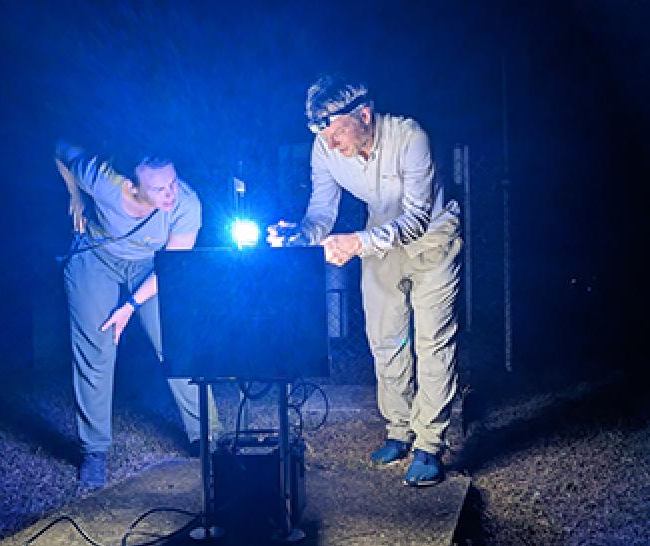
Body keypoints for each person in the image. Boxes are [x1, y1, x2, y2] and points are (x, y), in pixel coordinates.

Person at [268, 75, 462, 486]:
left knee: (432, 341)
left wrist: (357, 243)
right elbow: (321, 211)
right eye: (320, 132)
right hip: (378, 239)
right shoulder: (324, 148)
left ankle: (429, 443)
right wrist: (300, 235)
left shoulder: (411, 138)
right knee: (384, 337)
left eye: (335, 130)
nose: (330, 142)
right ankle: (399, 429)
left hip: (434, 237)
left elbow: (416, 219)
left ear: (364, 115)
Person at [55, 142, 221, 489]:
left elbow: (172, 268)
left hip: (151, 267)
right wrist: (74, 195)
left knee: (177, 345)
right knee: (97, 347)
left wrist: (129, 306)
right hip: (96, 257)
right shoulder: (99, 178)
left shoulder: (187, 204)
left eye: (173, 183)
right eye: (159, 188)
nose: (170, 193)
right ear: (132, 185)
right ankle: (94, 451)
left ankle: (209, 437)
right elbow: (60, 148)